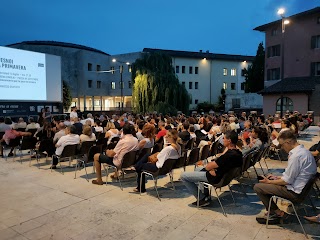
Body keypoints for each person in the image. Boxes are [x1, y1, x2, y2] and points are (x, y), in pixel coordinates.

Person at [254, 130, 317, 224]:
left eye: (282, 145)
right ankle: (273, 211)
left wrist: (269, 182)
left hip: (295, 193)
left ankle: (278, 214)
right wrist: (276, 178)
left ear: (288, 142)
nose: (282, 148)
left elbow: (287, 181)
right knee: (268, 184)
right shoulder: (304, 152)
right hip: (301, 188)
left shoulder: (296, 156)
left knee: (258, 187)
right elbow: (292, 176)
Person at [180, 130, 243, 207]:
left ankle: (202, 199)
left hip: (216, 178)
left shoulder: (227, 156)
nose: (223, 140)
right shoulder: (238, 154)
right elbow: (217, 165)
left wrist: (211, 168)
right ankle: (206, 196)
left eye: (224, 138)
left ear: (229, 140)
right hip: (223, 176)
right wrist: (212, 168)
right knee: (197, 170)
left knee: (183, 176)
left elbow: (209, 166)